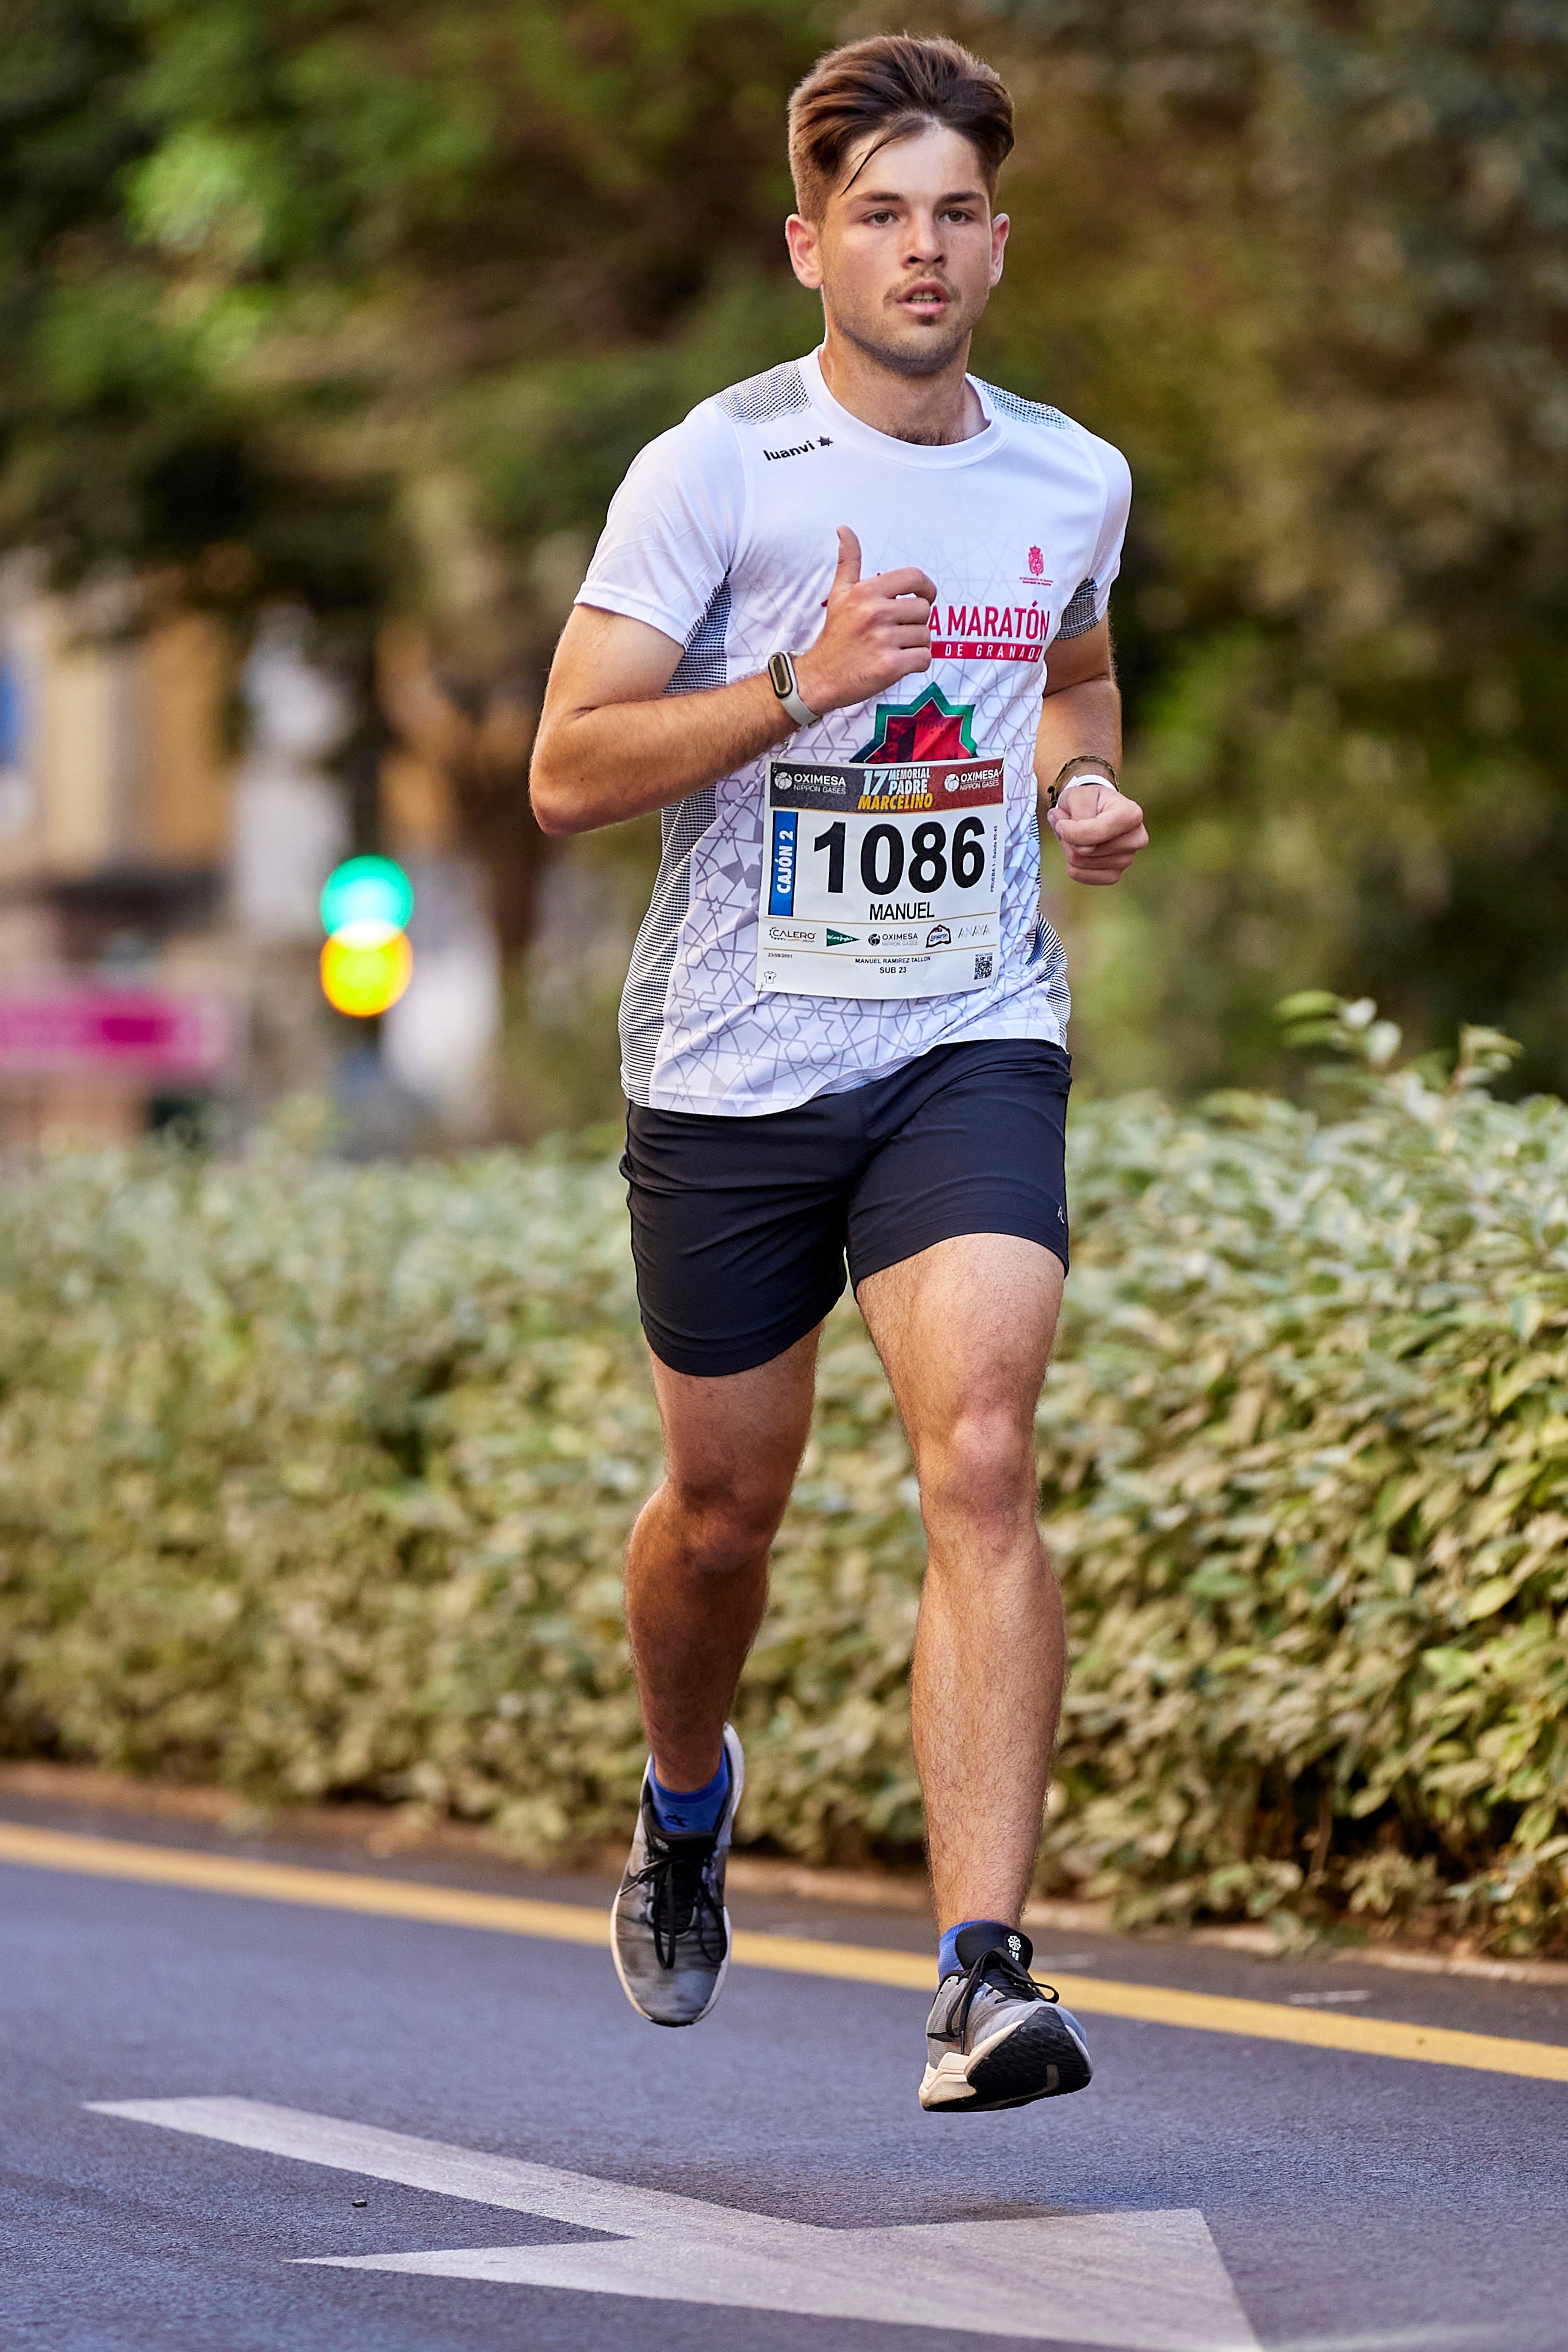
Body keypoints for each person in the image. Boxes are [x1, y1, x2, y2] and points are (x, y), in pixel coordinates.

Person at [530, 31, 1148, 2114]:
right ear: (808, 243)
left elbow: (1070, 665)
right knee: (723, 1515)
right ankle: (686, 1799)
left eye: (955, 211)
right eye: (878, 213)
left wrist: (1077, 787)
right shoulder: (714, 469)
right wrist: (804, 681)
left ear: (999, 237)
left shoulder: (1070, 471)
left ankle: (981, 1976)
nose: (921, 247)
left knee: (976, 1448)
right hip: (730, 1061)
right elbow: (562, 771)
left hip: (966, 1029)